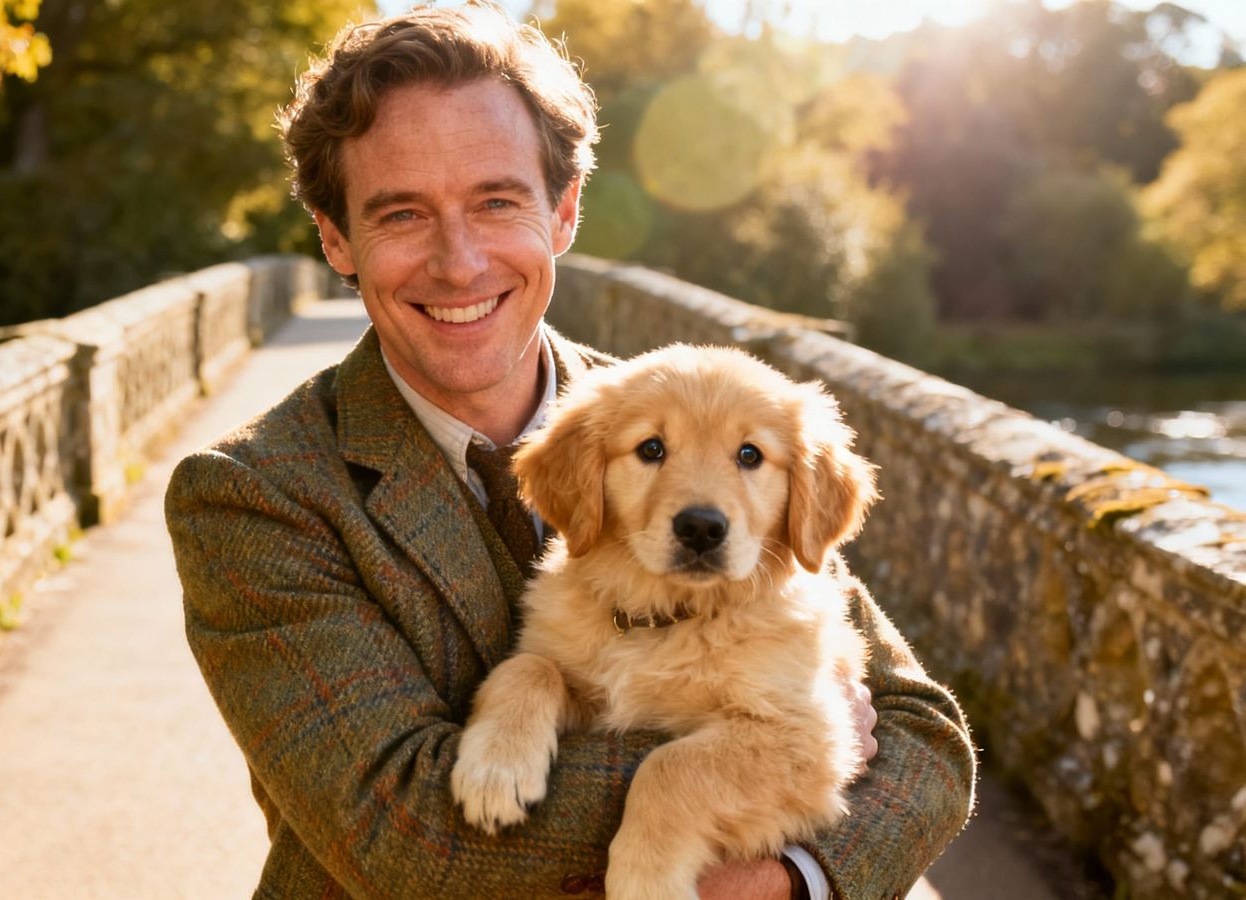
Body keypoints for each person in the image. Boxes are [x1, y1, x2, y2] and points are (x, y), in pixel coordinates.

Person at [166, 4, 975, 897]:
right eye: (401, 214)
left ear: (564, 212)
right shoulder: (251, 496)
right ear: (333, 238)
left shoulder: (690, 412)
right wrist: (778, 768)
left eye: (497, 201)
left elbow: (926, 740)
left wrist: (795, 880)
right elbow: (410, 832)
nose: (460, 262)